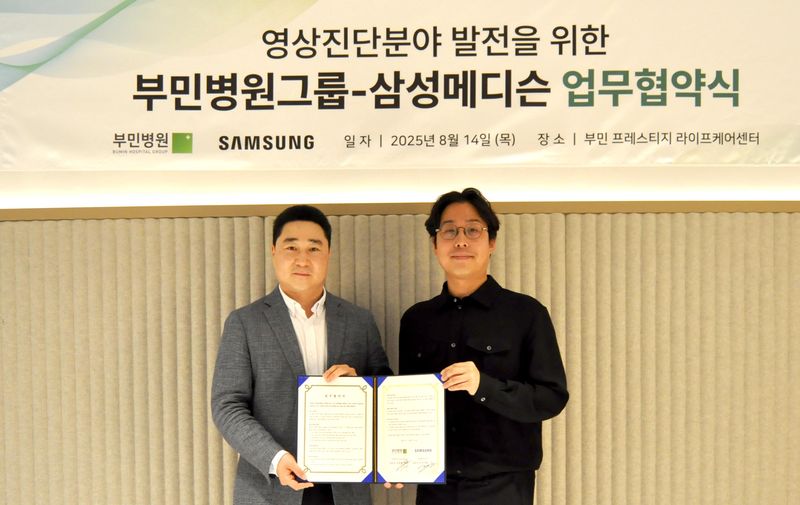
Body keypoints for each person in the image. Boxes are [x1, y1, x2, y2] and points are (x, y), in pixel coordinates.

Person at [211, 205, 393, 505]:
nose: (302, 259)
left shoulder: (359, 321)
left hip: (345, 491)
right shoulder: (244, 322)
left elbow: (386, 395)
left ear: (329, 253)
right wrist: (275, 458)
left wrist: (360, 384)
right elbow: (227, 405)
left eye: (314, 248)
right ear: (274, 251)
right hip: (270, 488)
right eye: (291, 247)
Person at [398, 188, 569, 505]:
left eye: (473, 230)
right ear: (435, 244)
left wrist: (483, 386)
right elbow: (405, 404)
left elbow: (551, 398)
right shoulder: (416, 320)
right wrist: (392, 459)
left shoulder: (526, 313)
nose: (461, 241)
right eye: (449, 231)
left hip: (503, 487)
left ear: (491, 242)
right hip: (435, 488)